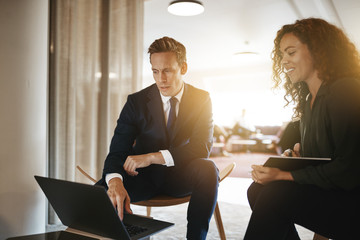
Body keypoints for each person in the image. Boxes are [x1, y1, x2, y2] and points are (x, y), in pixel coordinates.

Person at [244, 18, 360, 239]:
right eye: (281, 55)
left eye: (291, 52)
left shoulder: (346, 90)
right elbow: (325, 159)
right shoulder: (308, 102)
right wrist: (297, 160)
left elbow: (350, 170)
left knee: (274, 195)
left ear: (317, 49)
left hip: (353, 200)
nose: (284, 61)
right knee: (257, 190)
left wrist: (284, 174)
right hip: (333, 192)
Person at [96, 36, 219, 240]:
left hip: (182, 175)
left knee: (208, 169)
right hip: (142, 178)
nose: (161, 79)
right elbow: (118, 150)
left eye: (168, 70)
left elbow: (201, 147)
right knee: (101, 191)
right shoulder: (136, 102)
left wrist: (152, 156)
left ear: (184, 68)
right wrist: (115, 181)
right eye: (155, 71)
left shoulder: (201, 99)